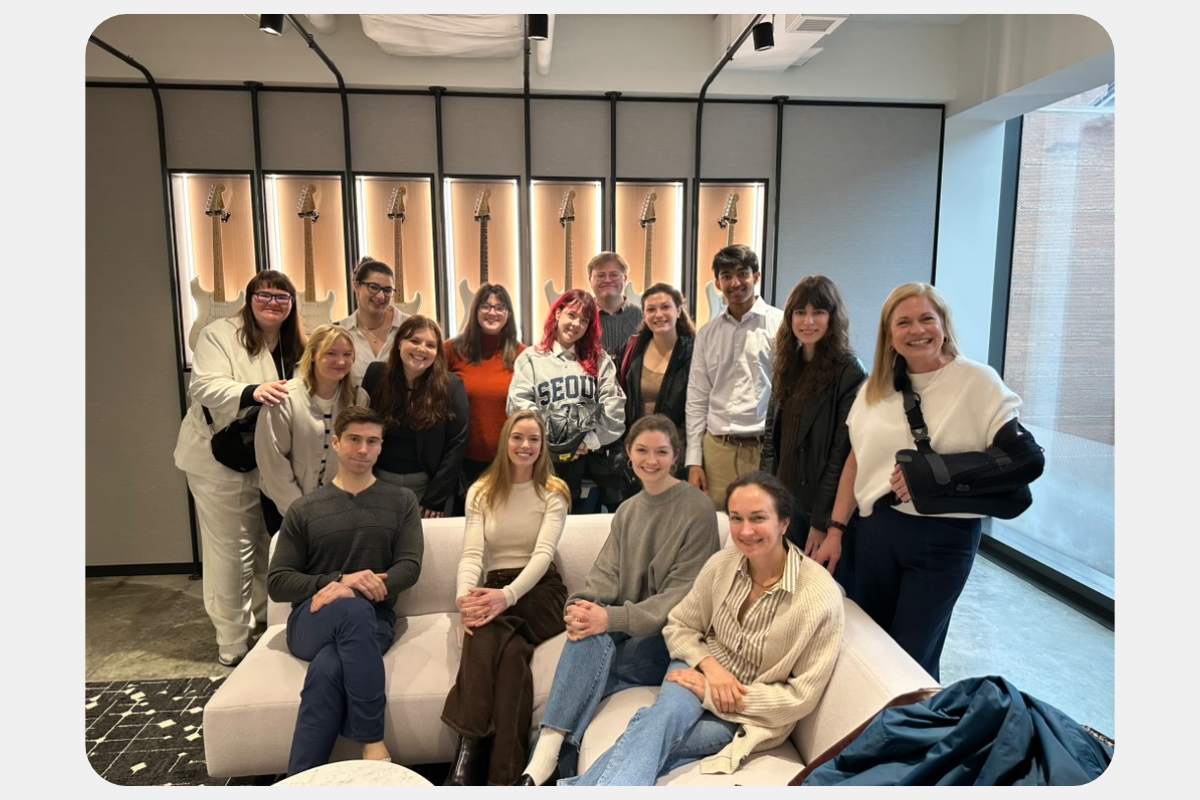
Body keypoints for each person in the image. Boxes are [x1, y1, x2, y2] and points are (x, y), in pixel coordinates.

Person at [562, 471, 843, 785]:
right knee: (662, 721)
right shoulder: (723, 563)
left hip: (745, 712)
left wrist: (717, 693)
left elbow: (801, 697)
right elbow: (680, 626)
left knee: (649, 729)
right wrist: (709, 667)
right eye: (736, 518)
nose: (746, 531)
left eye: (758, 518)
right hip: (696, 667)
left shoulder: (819, 597)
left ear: (784, 523)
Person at [814, 282, 1022, 681]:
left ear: (944, 323)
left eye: (927, 318)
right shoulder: (875, 390)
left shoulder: (978, 382)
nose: (917, 330)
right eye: (903, 322)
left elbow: (1018, 460)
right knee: (870, 645)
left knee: (911, 655)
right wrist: (836, 530)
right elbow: (856, 462)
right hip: (877, 532)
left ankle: (909, 736)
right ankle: (875, 732)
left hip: (946, 536)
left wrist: (934, 477)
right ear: (889, 335)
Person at [515, 414, 720, 785]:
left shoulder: (697, 508)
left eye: (661, 452)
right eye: (642, 450)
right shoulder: (627, 511)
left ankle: (540, 764)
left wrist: (612, 619)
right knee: (587, 636)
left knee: (590, 662)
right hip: (634, 636)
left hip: (674, 641)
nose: (651, 460)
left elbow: (681, 596)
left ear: (675, 457)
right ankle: (544, 765)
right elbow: (605, 575)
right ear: (628, 453)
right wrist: (581, 608)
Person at [267, 406, 424, 776]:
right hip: (312, 621)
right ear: (336, 443)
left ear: (381, 447)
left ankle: (301, 780)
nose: (363, 449)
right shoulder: (304, 509)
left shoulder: (402, 502)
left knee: (328, 667)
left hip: (374, 620)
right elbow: (277, 582)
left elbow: (409, 568)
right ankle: (372, 742)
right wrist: (335, 583)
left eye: (372, 442)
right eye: (354, 439)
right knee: (350, 610)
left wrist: (359, 588)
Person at [174, 269, 305, 666]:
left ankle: (266, 623)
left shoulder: (294, 344)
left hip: (268, 458)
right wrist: (251, 392)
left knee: (269, 544)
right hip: (219, 458)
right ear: (248, 299)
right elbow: (202, 386)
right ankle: (231, 637)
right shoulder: (220, 334)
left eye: (282, 297)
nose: (273, 303)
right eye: (264, 295)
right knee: (232, 550)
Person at [440, 410, 571, 786]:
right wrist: (466, 601)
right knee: (511, 655)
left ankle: (465, 759)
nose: (525, 446)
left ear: (543, 445)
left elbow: (543, 555)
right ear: (505, 442)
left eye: (534, 439)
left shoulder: (554, 492)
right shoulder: (481, 491)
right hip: (496, 585)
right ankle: (506, 776)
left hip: (539, 592)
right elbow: (472, 555)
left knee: (489, 627)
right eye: (518, 438)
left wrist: (505, 597)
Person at [760, 276, 866, 598]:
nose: (808, 321)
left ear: (832, 318)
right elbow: (770, 437)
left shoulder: (849, 371)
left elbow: (841, 453)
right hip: (785, 501)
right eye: (799, 313)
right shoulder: (787, 364)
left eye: (818, 312)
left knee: (815, 593)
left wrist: (824, 522)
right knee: (782, 588)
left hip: (818, 507)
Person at [685, 245, 785, 510]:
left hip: (766, 449)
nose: (735, 282)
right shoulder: (707, 333)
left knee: (764, 522)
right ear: (718, 282)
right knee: (718, 524)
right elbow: (697, 396)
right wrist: (694, 460)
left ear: (757, 276)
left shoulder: (781, 325)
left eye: (743, 273)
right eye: (726, 276)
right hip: (718, 450)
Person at [508, 289, 626, 512]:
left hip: (594, 465)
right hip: (544, 465)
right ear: (558, 313)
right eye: (572, 315)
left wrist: (587, 441)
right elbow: (519, 405)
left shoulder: (599, 359)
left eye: (584, 320)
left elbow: (615, 409)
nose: (576, 324)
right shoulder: (531, 358)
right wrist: (553, 441)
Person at [256, 323, 370, 519]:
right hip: (284, 504)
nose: (340, 361)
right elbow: (272, 463)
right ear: (314, 355)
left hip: (337, 504)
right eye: (331, 353)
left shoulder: (358, 398)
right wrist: (301, 512)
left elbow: (359, 454)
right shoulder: (283, 399)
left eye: (347, 354)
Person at [363, 314, 469, 517]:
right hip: (378, 485)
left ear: (437, 352)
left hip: (428, 488)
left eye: (430, 345)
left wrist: (435, 499)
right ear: (399, 343)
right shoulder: (375, 375)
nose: (421, 349)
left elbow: (457, 445)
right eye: (414, 341)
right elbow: (359, 426)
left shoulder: (451, 386)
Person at [445, 283, 527, 513]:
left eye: (500, 307)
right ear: (475, 311)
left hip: (509, 464)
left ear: (509, 314)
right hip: (461, 466)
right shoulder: (452, 350)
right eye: (486, 306)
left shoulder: (523, 355)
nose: (493, 312)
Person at [618, 283, 696, 494]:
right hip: (638, 452)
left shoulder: (694, 352)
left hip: (674, 453)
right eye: (651, 309)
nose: (658, 314)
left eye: (665, 307)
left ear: (678, 311)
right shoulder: (634, 347)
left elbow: (697, 409)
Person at [336, 257, 409, 387]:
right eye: (373, 287)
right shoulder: (339, 332)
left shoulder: (411, 328)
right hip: (353, 407)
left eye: (387, 290)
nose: (381, 296)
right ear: (356, 286)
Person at [587, 251, 642, 358]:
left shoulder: (643, 316)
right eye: (600, 275)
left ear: (625, 279)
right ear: (590, 280)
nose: (607, 280)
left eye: (614, 275)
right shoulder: (581, 317)